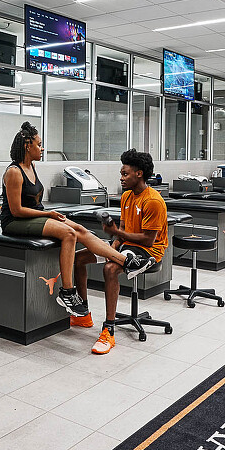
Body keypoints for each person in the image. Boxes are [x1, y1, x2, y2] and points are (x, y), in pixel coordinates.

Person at [0, 123, 155, 318]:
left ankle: (127, 262)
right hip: (14, 222)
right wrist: (48, 214)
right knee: (69, 233)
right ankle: (67, 291)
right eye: (39, 144)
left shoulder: (31, 166)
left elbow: (33, 203)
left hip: (35, 215)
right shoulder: (14, 172)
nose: (42, 148)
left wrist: (47, 214)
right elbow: (16, 210)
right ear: (27, 146)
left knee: (81, 229)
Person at [74, 149, 169, 355]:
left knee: (110, 269)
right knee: (79, 258)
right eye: (121, 174)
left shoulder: (153, 201)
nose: (121, 178)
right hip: (126, 246)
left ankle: (109, 330)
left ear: (139, 174)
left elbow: (148, 239)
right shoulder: (126, 197)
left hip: (149, 251)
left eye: (125, 174)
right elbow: (124, 232)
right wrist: (114, 244)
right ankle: (83, 315)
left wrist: (116, 233)